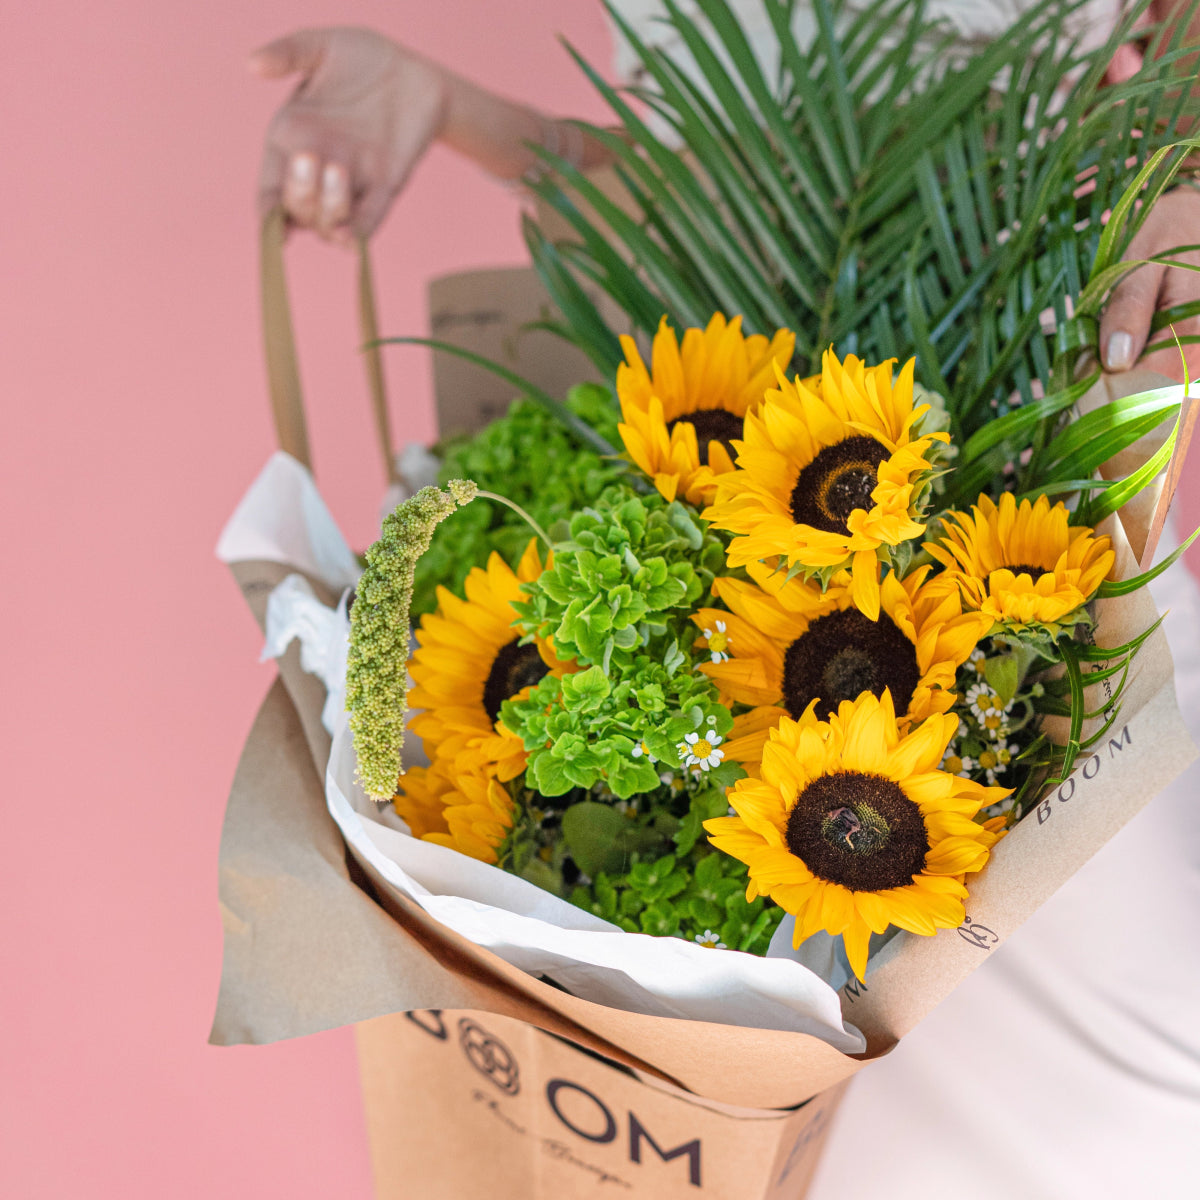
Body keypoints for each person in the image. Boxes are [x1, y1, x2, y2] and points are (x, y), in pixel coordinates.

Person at [250, 6, 1200, 1195]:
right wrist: (451, 109)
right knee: (772, 1128)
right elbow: (706, 185)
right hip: (721, 518)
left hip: (1028, 551)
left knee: (1152, 1075)